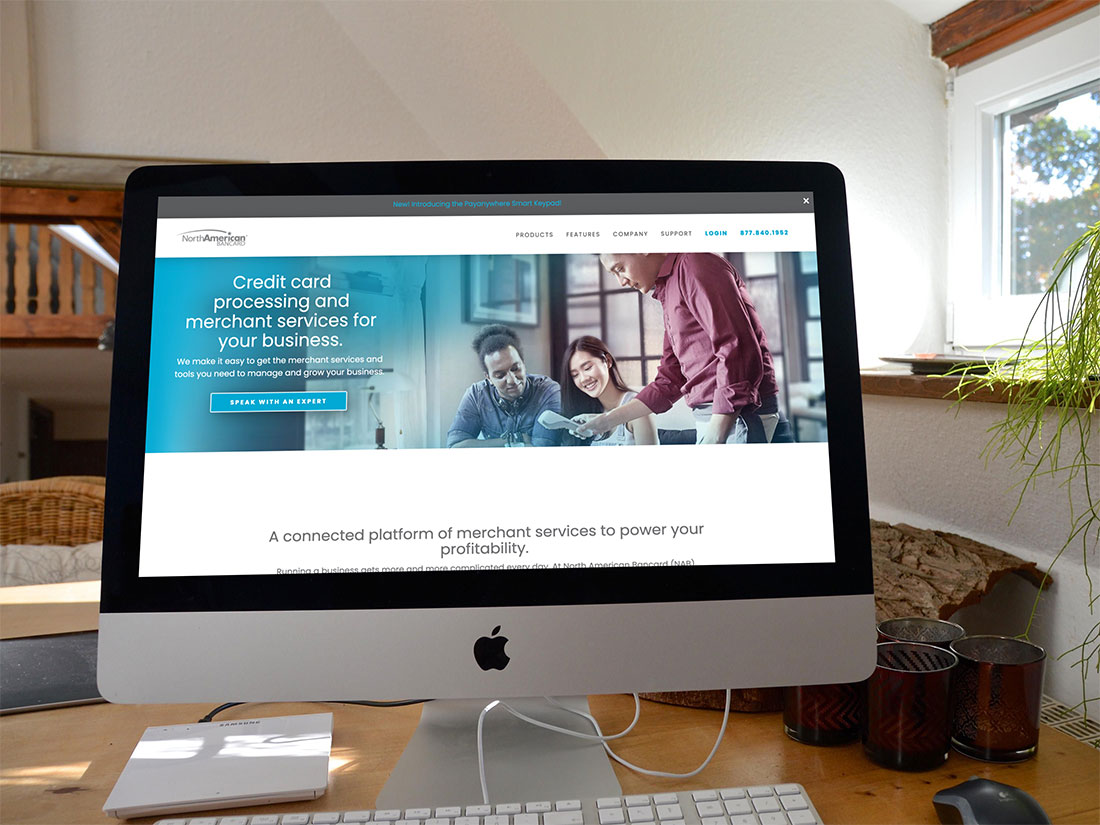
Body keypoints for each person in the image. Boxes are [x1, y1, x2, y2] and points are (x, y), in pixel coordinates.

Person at [577, 252, 793, 445]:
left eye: (620, 268)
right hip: (713, 417)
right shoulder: (669, 287)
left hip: (737, 416)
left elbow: (736, 348)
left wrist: (716, 433)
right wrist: (607, 420)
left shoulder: (695, 264)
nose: (621, 281)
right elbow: (670, 379)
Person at [447, 324, 562, 447]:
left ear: (523, 364)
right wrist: (515, 439)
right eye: (500, 375)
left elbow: (542, 448)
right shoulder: (476, 394)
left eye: (516, 368)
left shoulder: (548, 390)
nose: (512, 380)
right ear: (488, 378)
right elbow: (455, 446)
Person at [560, 335, 658, 446]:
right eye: (575, 375)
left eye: (588, 368)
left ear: (608, 361)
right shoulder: (584, 414)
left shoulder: (638, 408)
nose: (583, 379)